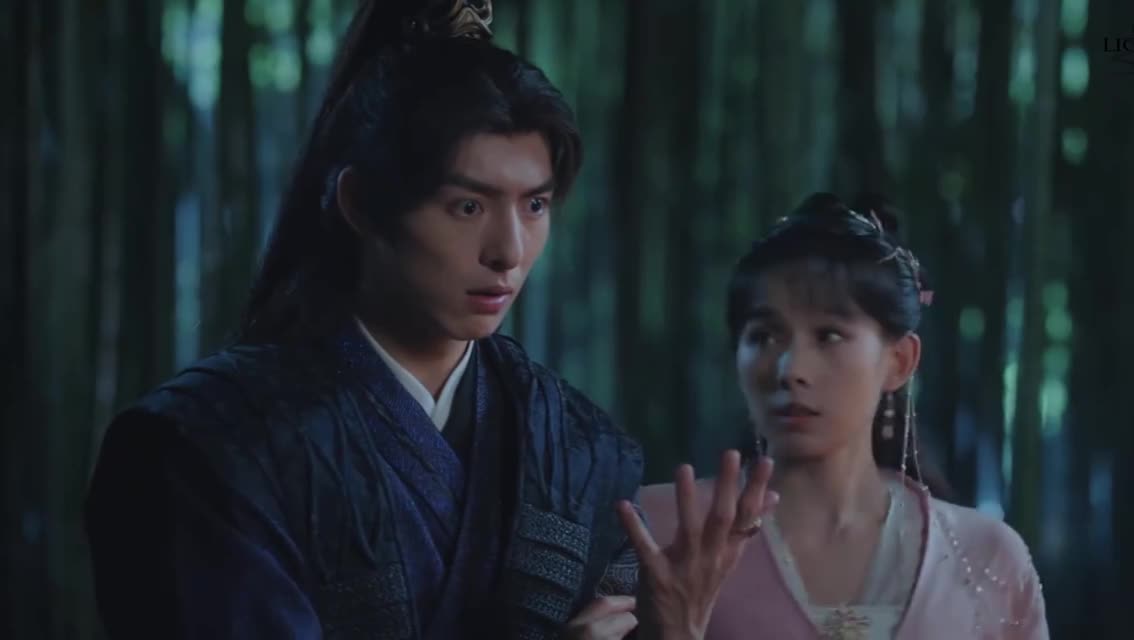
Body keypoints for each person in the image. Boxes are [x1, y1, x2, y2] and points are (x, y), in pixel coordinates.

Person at [83, 2, 772, 638]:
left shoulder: (581, 452)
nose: (509, 252)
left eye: (535, 206)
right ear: (360, 204)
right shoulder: (207, 446)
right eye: (467, 207)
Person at [638, 193, 1050, 639]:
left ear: (900, 361)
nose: (790, 369)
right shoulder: (659, 531)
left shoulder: (986, 557)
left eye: (829, 336)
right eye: (764, 336)